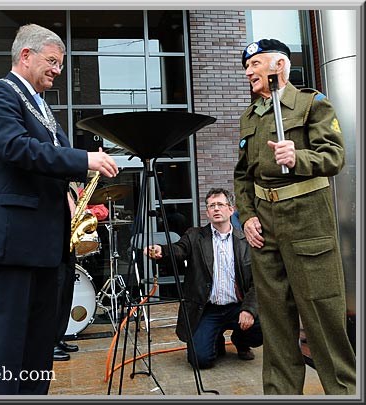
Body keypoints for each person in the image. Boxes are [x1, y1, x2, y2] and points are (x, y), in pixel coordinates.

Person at [0, 23, 118, 395]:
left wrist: (73, 199)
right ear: (25, 56)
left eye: (61, 64)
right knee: (6, 352)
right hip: (12, 247)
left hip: (47, 249)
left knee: (38, 353)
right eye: (51, 61)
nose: (57, 70)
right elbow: (17, 149)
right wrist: (82, 159)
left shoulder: (42, 107)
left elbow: (48, 166)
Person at [234, 38, 355, 394]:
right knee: (275, 321)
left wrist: (298, 156)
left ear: (279, 67)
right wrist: (248, 216)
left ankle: (344, 392)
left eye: (255, 63)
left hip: (307, 223)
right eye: (247, 66)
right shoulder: (251, 115)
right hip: (264, 228)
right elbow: (243, 175)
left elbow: (334, 157)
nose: (248, 71)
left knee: (322, 316)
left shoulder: (311, 104)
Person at [144, 188, 262, 369]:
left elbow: (257, 281)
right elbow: (179, 249)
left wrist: (249, 310)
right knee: (200, 360)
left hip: (237, 307)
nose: (216, 209)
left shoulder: (245, 240)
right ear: (207, 212)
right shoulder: (194, 236)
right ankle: (215, 340)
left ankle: (240, 341)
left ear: (231, 209)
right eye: (211, 206)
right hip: (207, 309)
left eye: (220, 205)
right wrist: (162, 250)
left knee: (262, 327)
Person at [54, 182, 109, 361]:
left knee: (65, 294)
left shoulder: (74, 187)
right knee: (55, 295)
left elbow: (102, 210)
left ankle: (58, 337)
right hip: (55, 242)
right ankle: (49, 343)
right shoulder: (57, 184)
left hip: (69, 242)